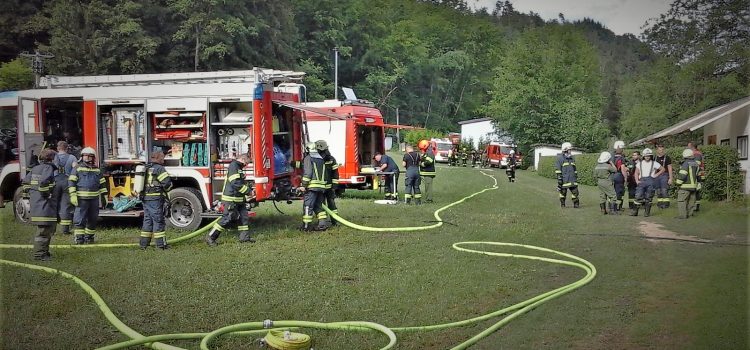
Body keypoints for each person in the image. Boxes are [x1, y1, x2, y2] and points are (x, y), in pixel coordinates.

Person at [206, 153, 254, 245]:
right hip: (230, 199)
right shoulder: (234, 166)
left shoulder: (239, 168)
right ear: (243, 159)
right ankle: (211, 237)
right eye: (247, 163)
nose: (246, 165)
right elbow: (235, 183)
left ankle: (244, 238)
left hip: (239, 200)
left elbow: (241, 183)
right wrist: (248, 191)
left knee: (244, 218)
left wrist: (249, 189)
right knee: (227, 218)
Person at [23, 148, 58, 260]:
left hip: (37, 203)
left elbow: (26, 183)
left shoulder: (35, 168)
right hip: (44, 204)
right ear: (51, 158)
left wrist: (32, 195)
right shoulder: (48, 168)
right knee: (43, 231)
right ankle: (39, 255)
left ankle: (45, 252)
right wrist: (46, 194)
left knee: (46, 229)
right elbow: (43, 183)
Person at [69, 147, 107, 244]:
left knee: (93, 219)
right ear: (82, 157)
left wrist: (104, 196)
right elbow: (71, 182)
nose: (88, 158)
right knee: (79, 219)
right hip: (81, 199)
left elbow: (102, 184)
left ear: (93, 158)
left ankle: (89, 238)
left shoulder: (97, 170)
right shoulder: (77, 168)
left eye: (90, 156)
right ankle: (79, 239)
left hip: (94, 199)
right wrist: (73, 195)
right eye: (86, 156)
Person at [139, 151, 173, 249]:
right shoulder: (159, 168)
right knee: (158, 221)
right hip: (155, 198)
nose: (163, 159)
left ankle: (143, 244)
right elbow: (166, 183)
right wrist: (168, 189)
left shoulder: (146, 167)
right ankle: (161, 245)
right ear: (157, 157)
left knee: (147, 221)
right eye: (162, 157)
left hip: (145, 198)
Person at [300, 142, 328, 231]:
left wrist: (304, 185)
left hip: (312, 187)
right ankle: (322, 224)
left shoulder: (308, 158)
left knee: (308, 206)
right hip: (321, 187)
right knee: (319, 206)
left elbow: (308, 173)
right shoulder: (321, 159)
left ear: (307, 149)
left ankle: (306, 226)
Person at [630, 147, 664, 217]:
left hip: (651, 181)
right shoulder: (639, 164)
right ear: (643, 156)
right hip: (641, 181)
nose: (647, 157)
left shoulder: (654, 163)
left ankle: (647, 213)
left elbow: (663, 169)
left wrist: (655, 175)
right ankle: (634, 212)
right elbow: (636, 173)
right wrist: (637, 181)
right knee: (638, 196)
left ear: (650, 156)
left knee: (649, 197)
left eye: (648, 156)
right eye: (646, 156)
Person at [52, 141, 77, 235]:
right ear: (67, 148)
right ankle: (65, 230)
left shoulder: (54, 157)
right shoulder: (72, 157)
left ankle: (52, 229)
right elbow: (75, 168)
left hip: (55, 182)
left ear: (58, 148)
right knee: (65, 206)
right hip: (67, 182)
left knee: (53, 205)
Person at [318, 140, 339, 226]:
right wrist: (334, 186)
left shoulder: (316, 159)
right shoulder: (331, 159)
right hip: (329, 187)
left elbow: (305, 165)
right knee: (330, 204)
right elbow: (335, 174)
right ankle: (334, 221)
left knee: (323, 205)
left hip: (322, 188)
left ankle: (324, 222)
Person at [675, 149, 700, 219]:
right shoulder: (696, 164)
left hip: (685, 186)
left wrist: (677, 183)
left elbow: (682, 175)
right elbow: (699, 175)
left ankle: (683, 216)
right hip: (694, 187)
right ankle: (690, 214)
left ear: (684, 156)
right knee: (691, 202)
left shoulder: (685, 163)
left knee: (681, 201)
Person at [555, 142, 579, 208]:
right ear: (565, 149)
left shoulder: (572, 158)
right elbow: (558, 170)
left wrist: (576, 176)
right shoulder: (560, 158)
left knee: (575, 193)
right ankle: (563, 204)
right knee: (563, 193)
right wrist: (559, 179)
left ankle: (576, 204)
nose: (570, 151)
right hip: (564, 180)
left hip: (572, 180)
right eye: (569, 149)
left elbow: (575, 169)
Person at [654, 144, 674, 209]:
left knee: (664, 190)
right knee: (658, 190)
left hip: (664, 175)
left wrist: (670, 178)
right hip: (656, 175)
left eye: (662, 150)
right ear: (657, 150)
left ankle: (666, 204)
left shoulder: (667, 158)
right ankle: (660, 203)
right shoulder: (654, 158)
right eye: (660, 150)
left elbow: (670, 168)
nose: (661, 151)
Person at [687, 141, 705, 212]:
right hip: (696, 174)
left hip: (698, 175)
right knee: (695, 191)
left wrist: (686, 164)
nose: (687, 148)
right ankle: (694, 206)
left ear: (692, 147)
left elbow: (696, 164)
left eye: (688, 146)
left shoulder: (697, 154)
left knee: (696, 191)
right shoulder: (695, 153)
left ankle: (696, 207)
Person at [611, 141, 628, 212]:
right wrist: (625, 178)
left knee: (612, 192)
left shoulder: (611, 157)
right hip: (619, 176)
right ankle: (617, 208)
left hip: (612, 176)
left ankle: (611, 206)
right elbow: (622, 169)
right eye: (622, 148)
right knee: (619, 192)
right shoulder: (621, 158)